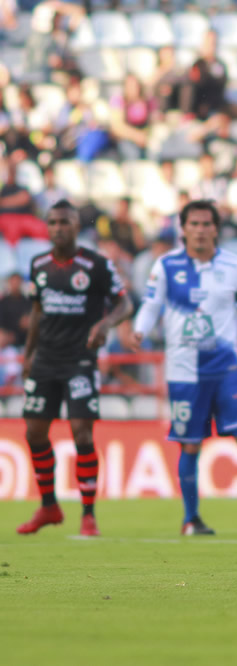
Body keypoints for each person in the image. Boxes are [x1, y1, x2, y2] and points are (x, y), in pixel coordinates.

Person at [125, 201, 237, 536]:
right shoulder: (166, 265)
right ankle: (191, 518)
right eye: (193, 224)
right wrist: (140, 328)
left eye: (206, 223)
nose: (200, 229)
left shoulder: (235, 266)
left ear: (216, 228)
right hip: (183, 369)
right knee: (190, 443)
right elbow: (152, 303)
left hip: (225, 366)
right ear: (183, 229)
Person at [17, 200, 134, 537]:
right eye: (52, 222)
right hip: (45, 361)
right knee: (34, 433)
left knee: (81, 432)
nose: (58, 228)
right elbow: (38, 311)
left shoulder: (96, 265)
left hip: (80, 360)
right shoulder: (39, 264)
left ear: (75, 226)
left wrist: (106, 325)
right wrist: (28, 354)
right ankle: (49, 506)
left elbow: (125, 303)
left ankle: (88, 513)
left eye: (64, 222)